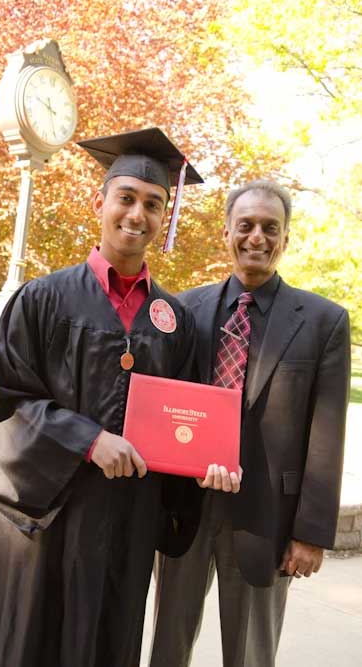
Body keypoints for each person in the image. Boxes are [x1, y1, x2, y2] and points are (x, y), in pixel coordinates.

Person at [0, 127, 212, 667]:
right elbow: (2, 402)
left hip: (125, 523)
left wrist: (208, 463)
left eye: (153, 204)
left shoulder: (175, 322)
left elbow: (186, 422)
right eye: (126, 198)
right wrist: (88, 440)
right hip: (46, 519)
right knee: (29, 640)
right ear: (99, 202)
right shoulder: (42, 299)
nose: (136, 214)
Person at [150, 179, 351, 667]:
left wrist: (310, 534)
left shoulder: (324, 321)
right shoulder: (183, 310)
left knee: (252, 655)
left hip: (269, 519)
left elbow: (327, 434)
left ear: (286, 238)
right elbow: (163, 406)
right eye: (245, 226)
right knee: (167, 647)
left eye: (269, 227)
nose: (256, 237)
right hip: (186, 510)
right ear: (226, 233)